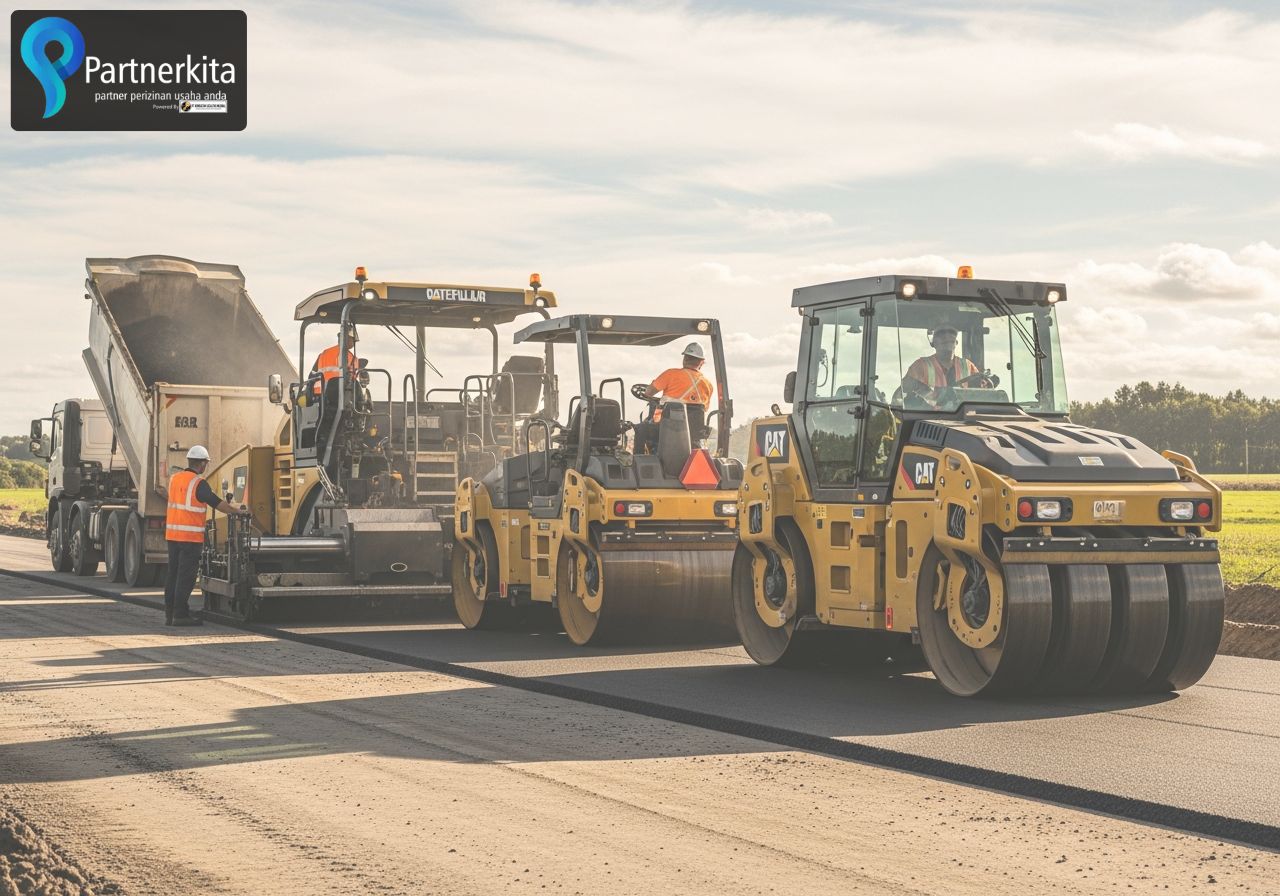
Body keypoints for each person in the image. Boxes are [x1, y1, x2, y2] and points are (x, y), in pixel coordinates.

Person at [164, 445, 250, 626]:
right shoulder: (198, 483)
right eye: (205, 463)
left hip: (173, 536)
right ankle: (180, 615)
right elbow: (215, 502)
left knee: (172, 574)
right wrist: (237, 512)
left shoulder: (174, 479)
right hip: (189, 538)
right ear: (202, 464)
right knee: (185, 576)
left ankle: (170, 614)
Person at [902, 325, 979, 406]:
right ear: (933, 343)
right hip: (930, 416)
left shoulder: (968, 366)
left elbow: (982, 392)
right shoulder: (921, 365)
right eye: (940, 334)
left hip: (963, 416)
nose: (946, 336)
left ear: (956, 342)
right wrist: (936, 394)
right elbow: (905, 387)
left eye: (951, 333)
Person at [646, 342, 714, 421]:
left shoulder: (670, 374)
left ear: (685, 359)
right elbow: (704, 409)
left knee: (637, 429)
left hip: (664, 427)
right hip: (695, 430)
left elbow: (649, 392)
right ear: (701, 362)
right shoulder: (709, 385)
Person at [310, 324, 360, 397]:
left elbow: (312, 375)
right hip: (343, 394)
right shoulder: (352, 357)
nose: (354, 343)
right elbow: (354, 381)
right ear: (346, 338)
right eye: (353, 340)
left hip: (321, 394)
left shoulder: (325, 353)